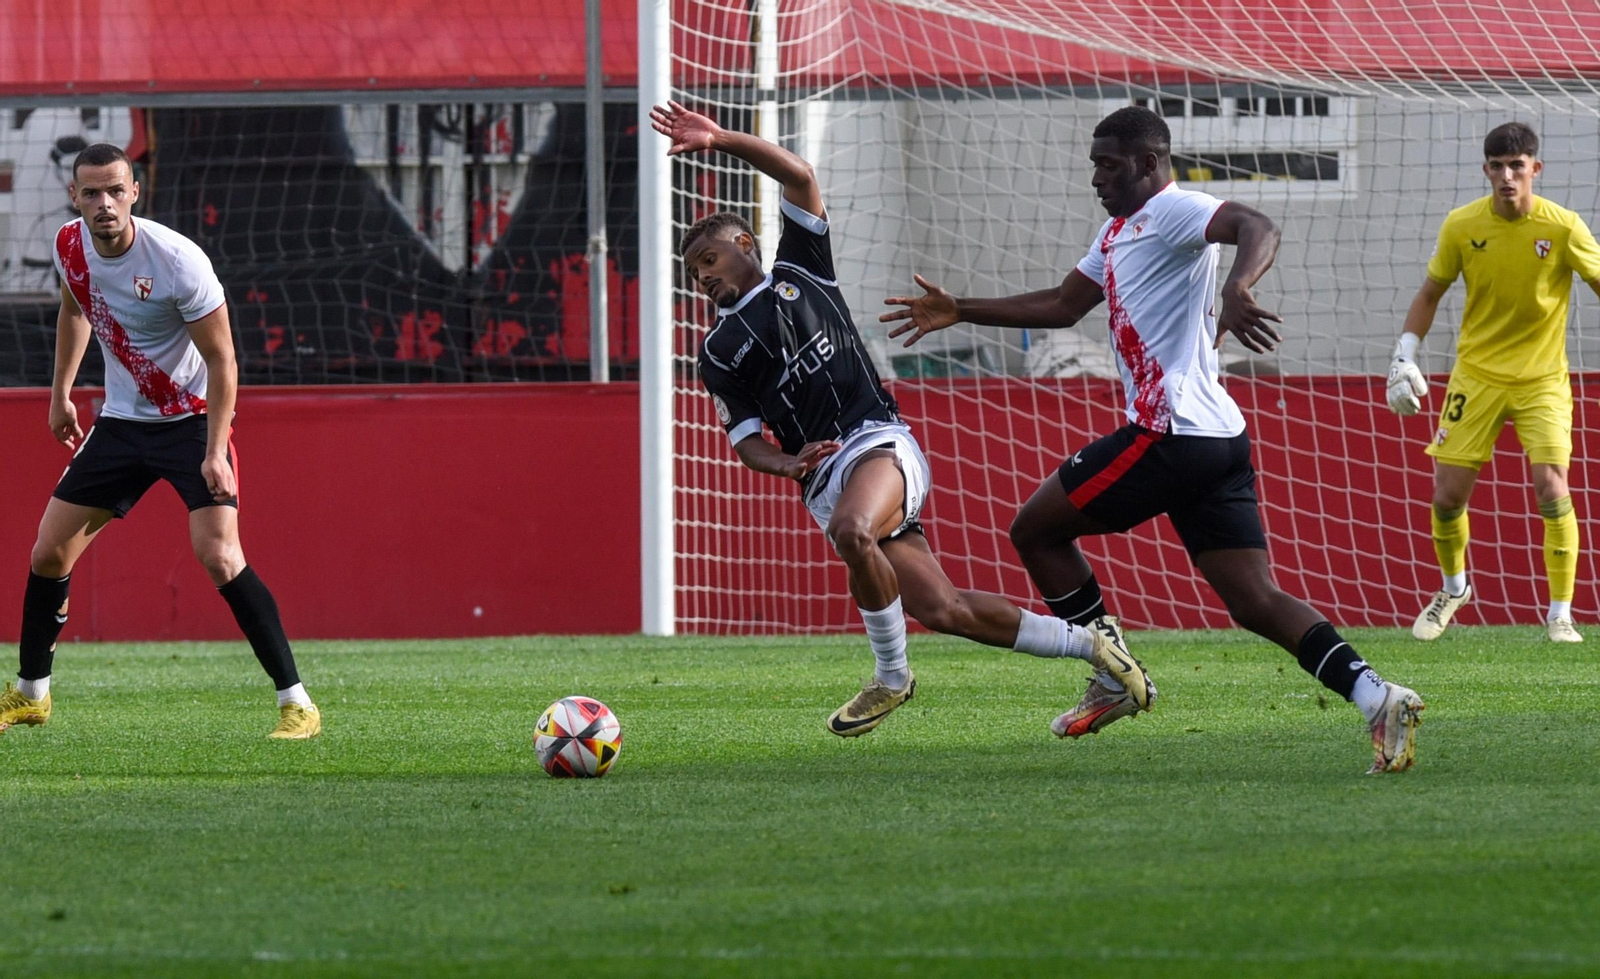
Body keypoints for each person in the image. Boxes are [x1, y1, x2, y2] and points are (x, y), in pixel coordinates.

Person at [882, 106, 1424, 773]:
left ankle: (1113, 672)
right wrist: (960, 309)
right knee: (1254, 599)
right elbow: (1062, 304)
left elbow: (1257, 223)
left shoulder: (1172, 211)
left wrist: (1239, 285)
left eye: (1108, 165)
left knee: (1036, 530)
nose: (1096, 178)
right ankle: (1378, 696)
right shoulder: (1118, 231)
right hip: (1218, 437)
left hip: (1169, 433)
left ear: (1147, 162)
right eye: (1094, 165)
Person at [650, 102, 1148, 738]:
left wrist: (721, 138)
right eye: (694, 274)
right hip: (825, 477)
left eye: (710, 262)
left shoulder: (800, 270)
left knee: (853, 532)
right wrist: (787, 463)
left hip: (879, 444)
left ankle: (891, 676)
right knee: (947, 610)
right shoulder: (716, 353)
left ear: (744, 244)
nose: (704, 279)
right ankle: (1097, 651)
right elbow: (747, 441)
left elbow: (799, 175)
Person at [0, 143, 320, 740]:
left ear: (135, 192)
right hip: (121, 424)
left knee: (220, 556)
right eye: (91, 193)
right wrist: (60, 393)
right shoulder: (69, 244)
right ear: (74, 196)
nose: (104, 205)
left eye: (115, 191)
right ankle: (31, 695)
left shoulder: (177, 261)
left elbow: (223, 362)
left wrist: (216, 448)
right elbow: (75, 311)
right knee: (48, 554)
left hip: (193, 420)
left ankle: (297, 703)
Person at [1386, 122, 1600, 643]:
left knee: (1551, 487)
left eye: (1517, 166)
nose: (1507, 176)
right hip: (1475, 376)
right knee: (1446, 498)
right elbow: (1431, 291)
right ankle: (1454, 588)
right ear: (1486, 170)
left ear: (1535, 169)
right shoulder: (1462, 226)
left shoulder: (1564, 226)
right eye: (1498, 166)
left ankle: (1560, 613)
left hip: (1542, 381)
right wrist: (1403, 355)